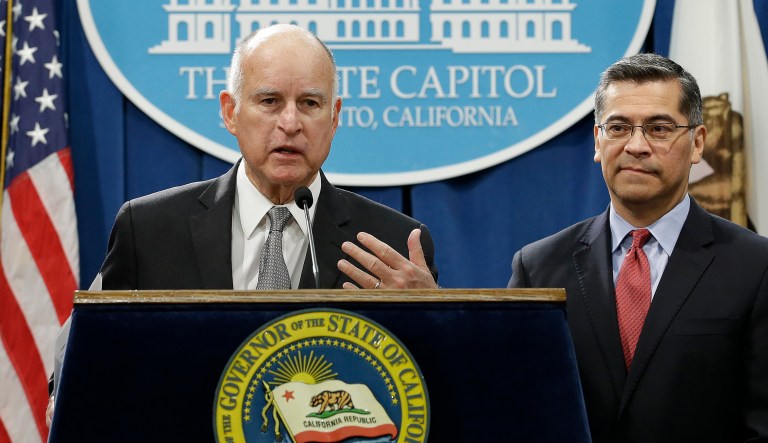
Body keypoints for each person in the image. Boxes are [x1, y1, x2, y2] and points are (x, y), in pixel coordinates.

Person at [508, 53, 768, 442]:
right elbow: (511, 401)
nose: (636, 146)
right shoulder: (539, 266)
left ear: (697, 143)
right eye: (618, 127)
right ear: (598, 141)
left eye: (659, 129)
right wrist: (428, 309)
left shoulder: (756, 266)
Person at [99, 24, 438, 291]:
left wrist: (433, 317)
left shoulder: (394, 247)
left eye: (309, 103)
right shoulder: (147, 230)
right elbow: (83, 366)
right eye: (269, 101)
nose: (290, 124)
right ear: (231, 113)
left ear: (334, 118)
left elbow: (438, 374)